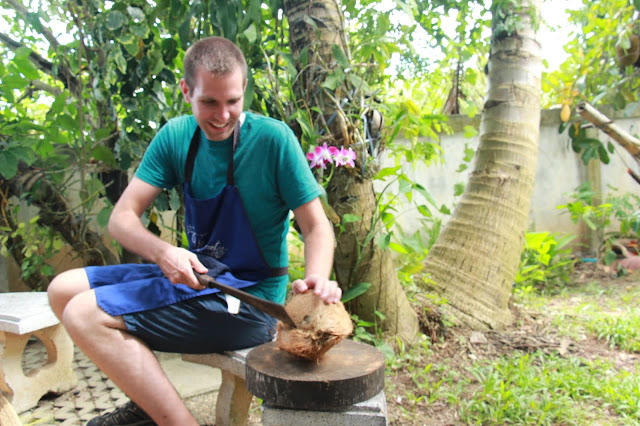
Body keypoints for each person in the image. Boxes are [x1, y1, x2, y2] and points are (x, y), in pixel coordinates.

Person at [47, 36, 341, 426]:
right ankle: (148, 405)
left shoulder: (273, 140)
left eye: (233, 101)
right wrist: (164, 253)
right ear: (186, 90)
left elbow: (316, 226)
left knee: (85, 314)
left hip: (249, 302)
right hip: (199, 278)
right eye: (209, 102)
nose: (223, 115)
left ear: (244, 90)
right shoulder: (175, 137)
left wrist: (316, 279)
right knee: (62, 290)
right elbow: (122, 218)